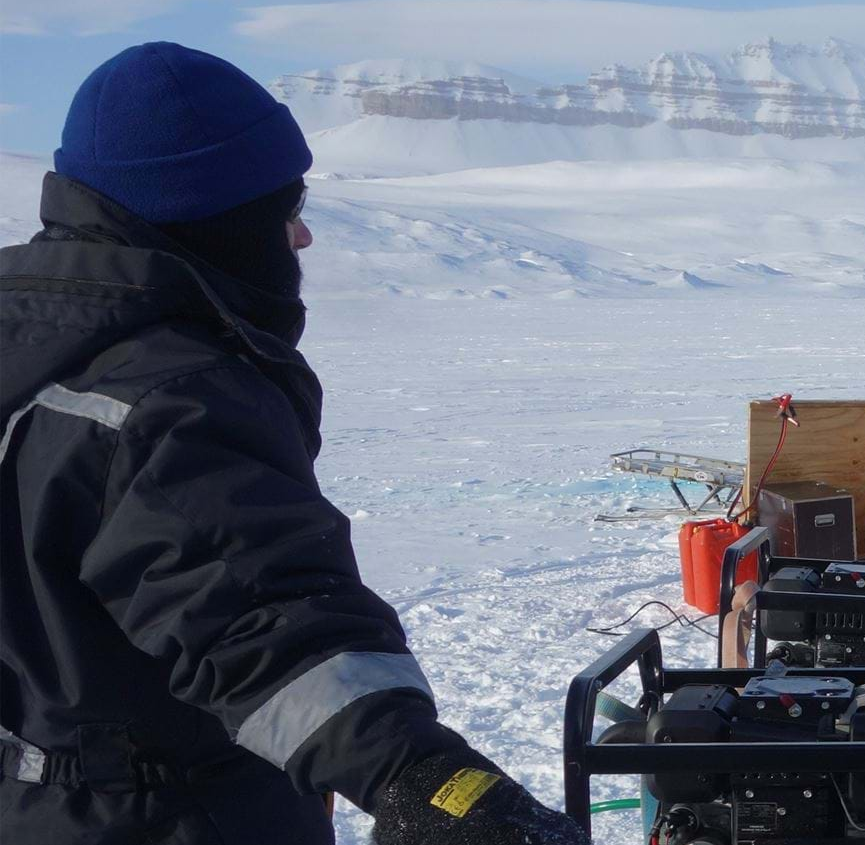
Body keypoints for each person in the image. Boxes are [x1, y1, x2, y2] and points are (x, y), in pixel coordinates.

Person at [0, 43, 584, 845]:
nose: (301, 236)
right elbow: (255, 613)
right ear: (214, 218)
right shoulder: (170, 394)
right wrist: (430, 782)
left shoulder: (31, 351)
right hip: (159, 817)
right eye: (285, 209)